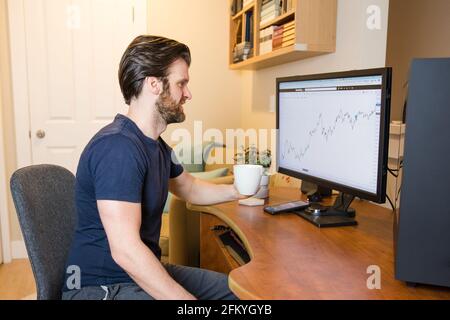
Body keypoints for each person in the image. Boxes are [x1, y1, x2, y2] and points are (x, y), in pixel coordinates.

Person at [62, 35, 244, 300]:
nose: (188, 94)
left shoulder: (156, 146)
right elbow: (125, 249)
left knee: (240, 293)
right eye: (181, 83)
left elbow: (189, 187)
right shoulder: (118, 148)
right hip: (100, 287)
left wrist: (239, 191)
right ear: (154, 84)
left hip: (136, 275)